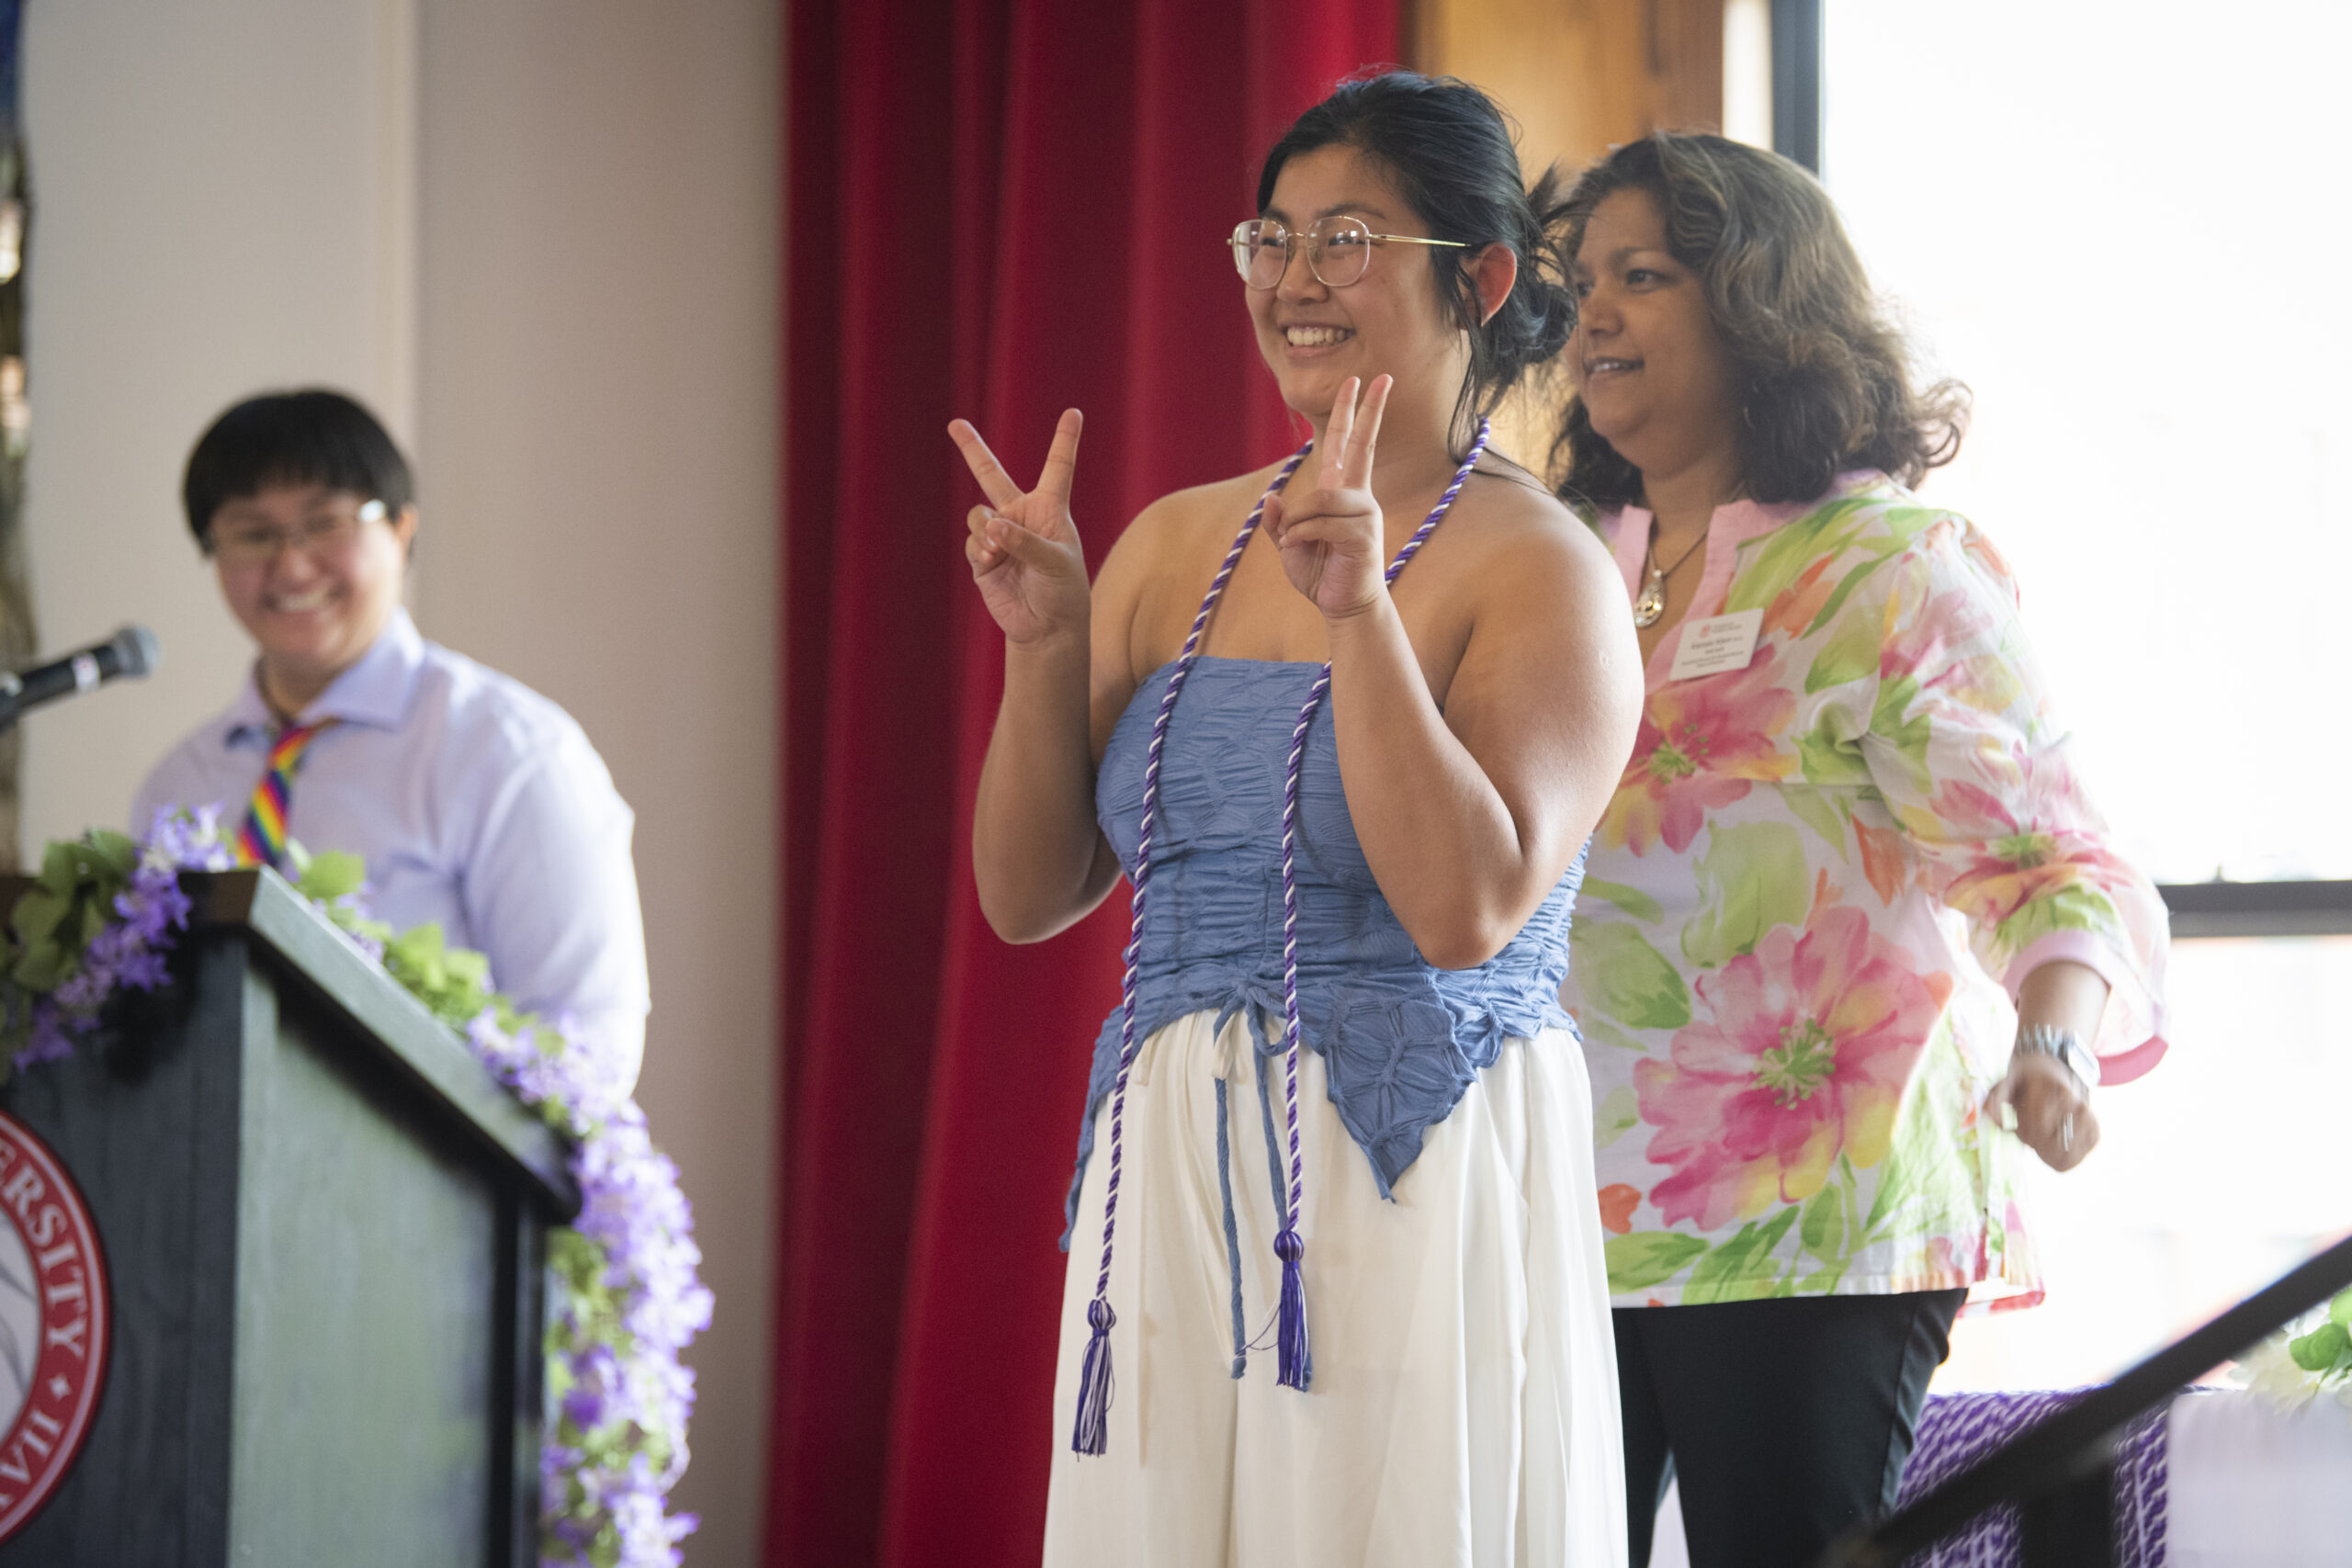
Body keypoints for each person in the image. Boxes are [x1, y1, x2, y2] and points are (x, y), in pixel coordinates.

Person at [952, 72, 1644, 1567]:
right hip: (1174, 1154)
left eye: (1346, 236)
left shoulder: (1547, 571)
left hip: (1411, 1160)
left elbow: (1468, 905)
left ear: (1482, 277)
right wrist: (1050, 639)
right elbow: (1024, 892)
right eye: (1270, 237)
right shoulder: (1171, 540)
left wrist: (1364, 617)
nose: (1293, 279)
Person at [1548, 133, 2170, 1568]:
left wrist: (2056, 1048)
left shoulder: (1886, 562)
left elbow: (2054, 860)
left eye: (1643, 276)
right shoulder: (1556, 557)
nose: (1593, 315)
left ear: (1761, 307)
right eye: (1585, 282)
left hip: (1813, 1215)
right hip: (1553, 1200)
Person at [134, 389, 650, 1089]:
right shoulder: (180, 786)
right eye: (253, 534)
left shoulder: (507, 751)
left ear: (403, 531)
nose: (290, 566)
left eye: (325, 524)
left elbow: (586, 1043)